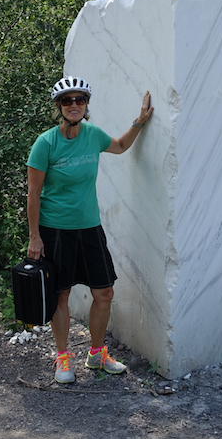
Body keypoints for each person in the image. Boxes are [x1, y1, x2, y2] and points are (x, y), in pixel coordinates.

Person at [26, 75, 153, 384]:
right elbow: (33, 193)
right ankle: (62, 358)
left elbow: (121, 146)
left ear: (86, 106)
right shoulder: (46, 143)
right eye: (67, 100)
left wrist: (139, 121)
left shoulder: (93, 135)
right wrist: (34, 236)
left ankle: (96, 355)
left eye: (80, 100)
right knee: (61, 295)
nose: (74, 105)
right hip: (55, 230)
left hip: (89, 228)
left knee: (105, 292)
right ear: (59, 106)